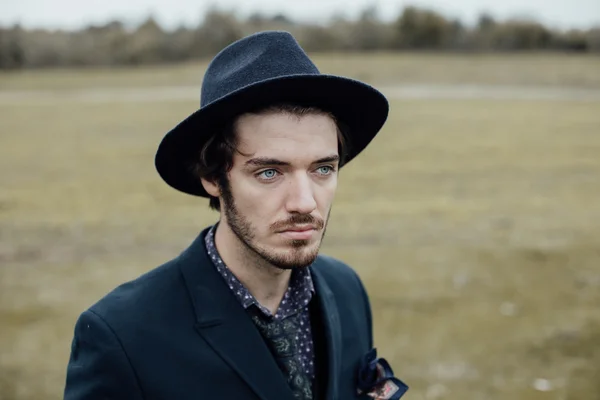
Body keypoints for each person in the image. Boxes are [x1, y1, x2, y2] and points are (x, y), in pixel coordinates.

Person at [63, 31, 408, 400]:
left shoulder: (346, 289)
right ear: (213, 177)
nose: (305, 202)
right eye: (269, 173)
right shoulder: (123, 335)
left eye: (322, 169)